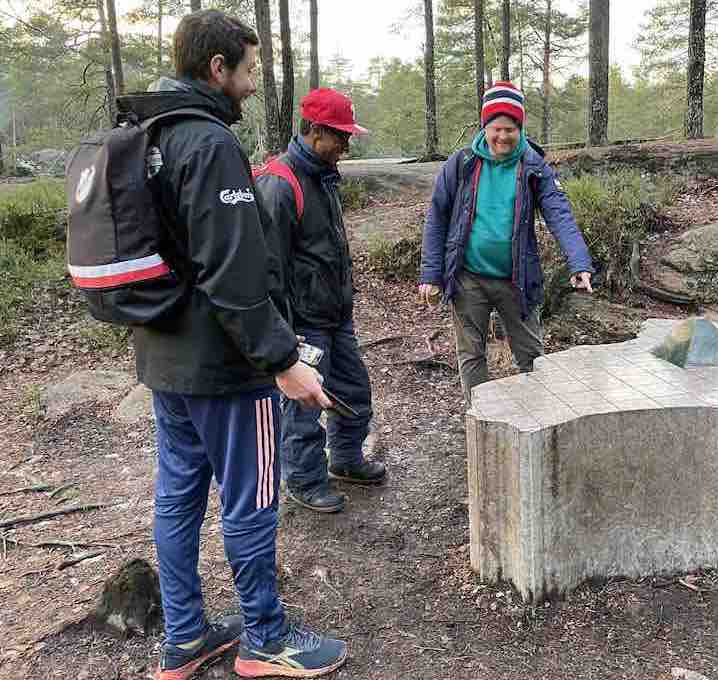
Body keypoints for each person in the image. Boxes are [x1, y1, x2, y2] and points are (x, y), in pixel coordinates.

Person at [120, 10, 348, 679]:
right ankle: (266, 638)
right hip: (225, 368)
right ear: (216, 69)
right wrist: (281, 362)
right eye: (248, 70)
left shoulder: (146, 135)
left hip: (164, 358)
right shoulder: (209, 142)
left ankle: (186, 636)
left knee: (178, 494)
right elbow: (235, 273)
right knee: (252, 497)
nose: (252, 85)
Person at [418, 81, 595, 403]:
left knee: (532, 357)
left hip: (518, 279)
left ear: (520, 128)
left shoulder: (533, 166)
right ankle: (482, 419)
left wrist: (579, 262)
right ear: (485, 126)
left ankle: (535, 420)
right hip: (468, 277)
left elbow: (560, 214)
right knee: (471, 355)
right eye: (496, 128)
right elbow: (437, 217)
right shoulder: (462, 163)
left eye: (510, 129)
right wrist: (431, 275)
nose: (502, 137)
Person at [255, 88, 387, 514]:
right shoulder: (280, 183)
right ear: (314, 132)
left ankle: (346, 459)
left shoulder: (324, 175)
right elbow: (269, 269)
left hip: (335, 314)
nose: (347, 146)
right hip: (302, 323)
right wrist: (284, 336)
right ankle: (305, 480)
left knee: (353, 390)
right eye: (340, 137)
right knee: (303, 408)